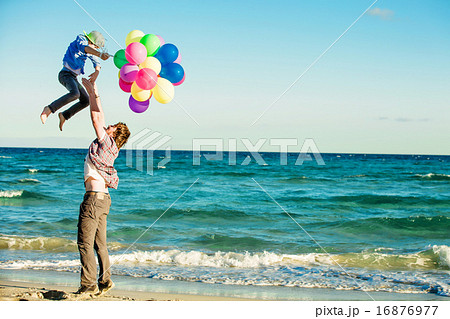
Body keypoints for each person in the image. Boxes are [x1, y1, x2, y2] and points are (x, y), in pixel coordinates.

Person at [75, 78, 130, 295]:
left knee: (85, 244)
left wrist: (94, 93)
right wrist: (93, 91)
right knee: (100, 245)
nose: (108, 127)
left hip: (93, 199)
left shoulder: (106, 143)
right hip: (103, 199)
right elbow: (100, 118)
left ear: (114, 134)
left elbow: (96, 118)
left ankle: (88, 285)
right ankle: (105, 281)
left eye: (112, 127)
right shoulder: (111, 149)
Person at [40, 31, 110, 131]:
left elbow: (96, 60)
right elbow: (84, 48)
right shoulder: (81, 39)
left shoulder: (91, 50)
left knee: (86, 100)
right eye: (95, 47)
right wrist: (99, 54)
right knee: (75, 94)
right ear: (91, 42)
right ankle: (49, 109)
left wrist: (96, 71)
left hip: (73, 77)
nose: (95, 49)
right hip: (65, 75)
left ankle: (65, 115)